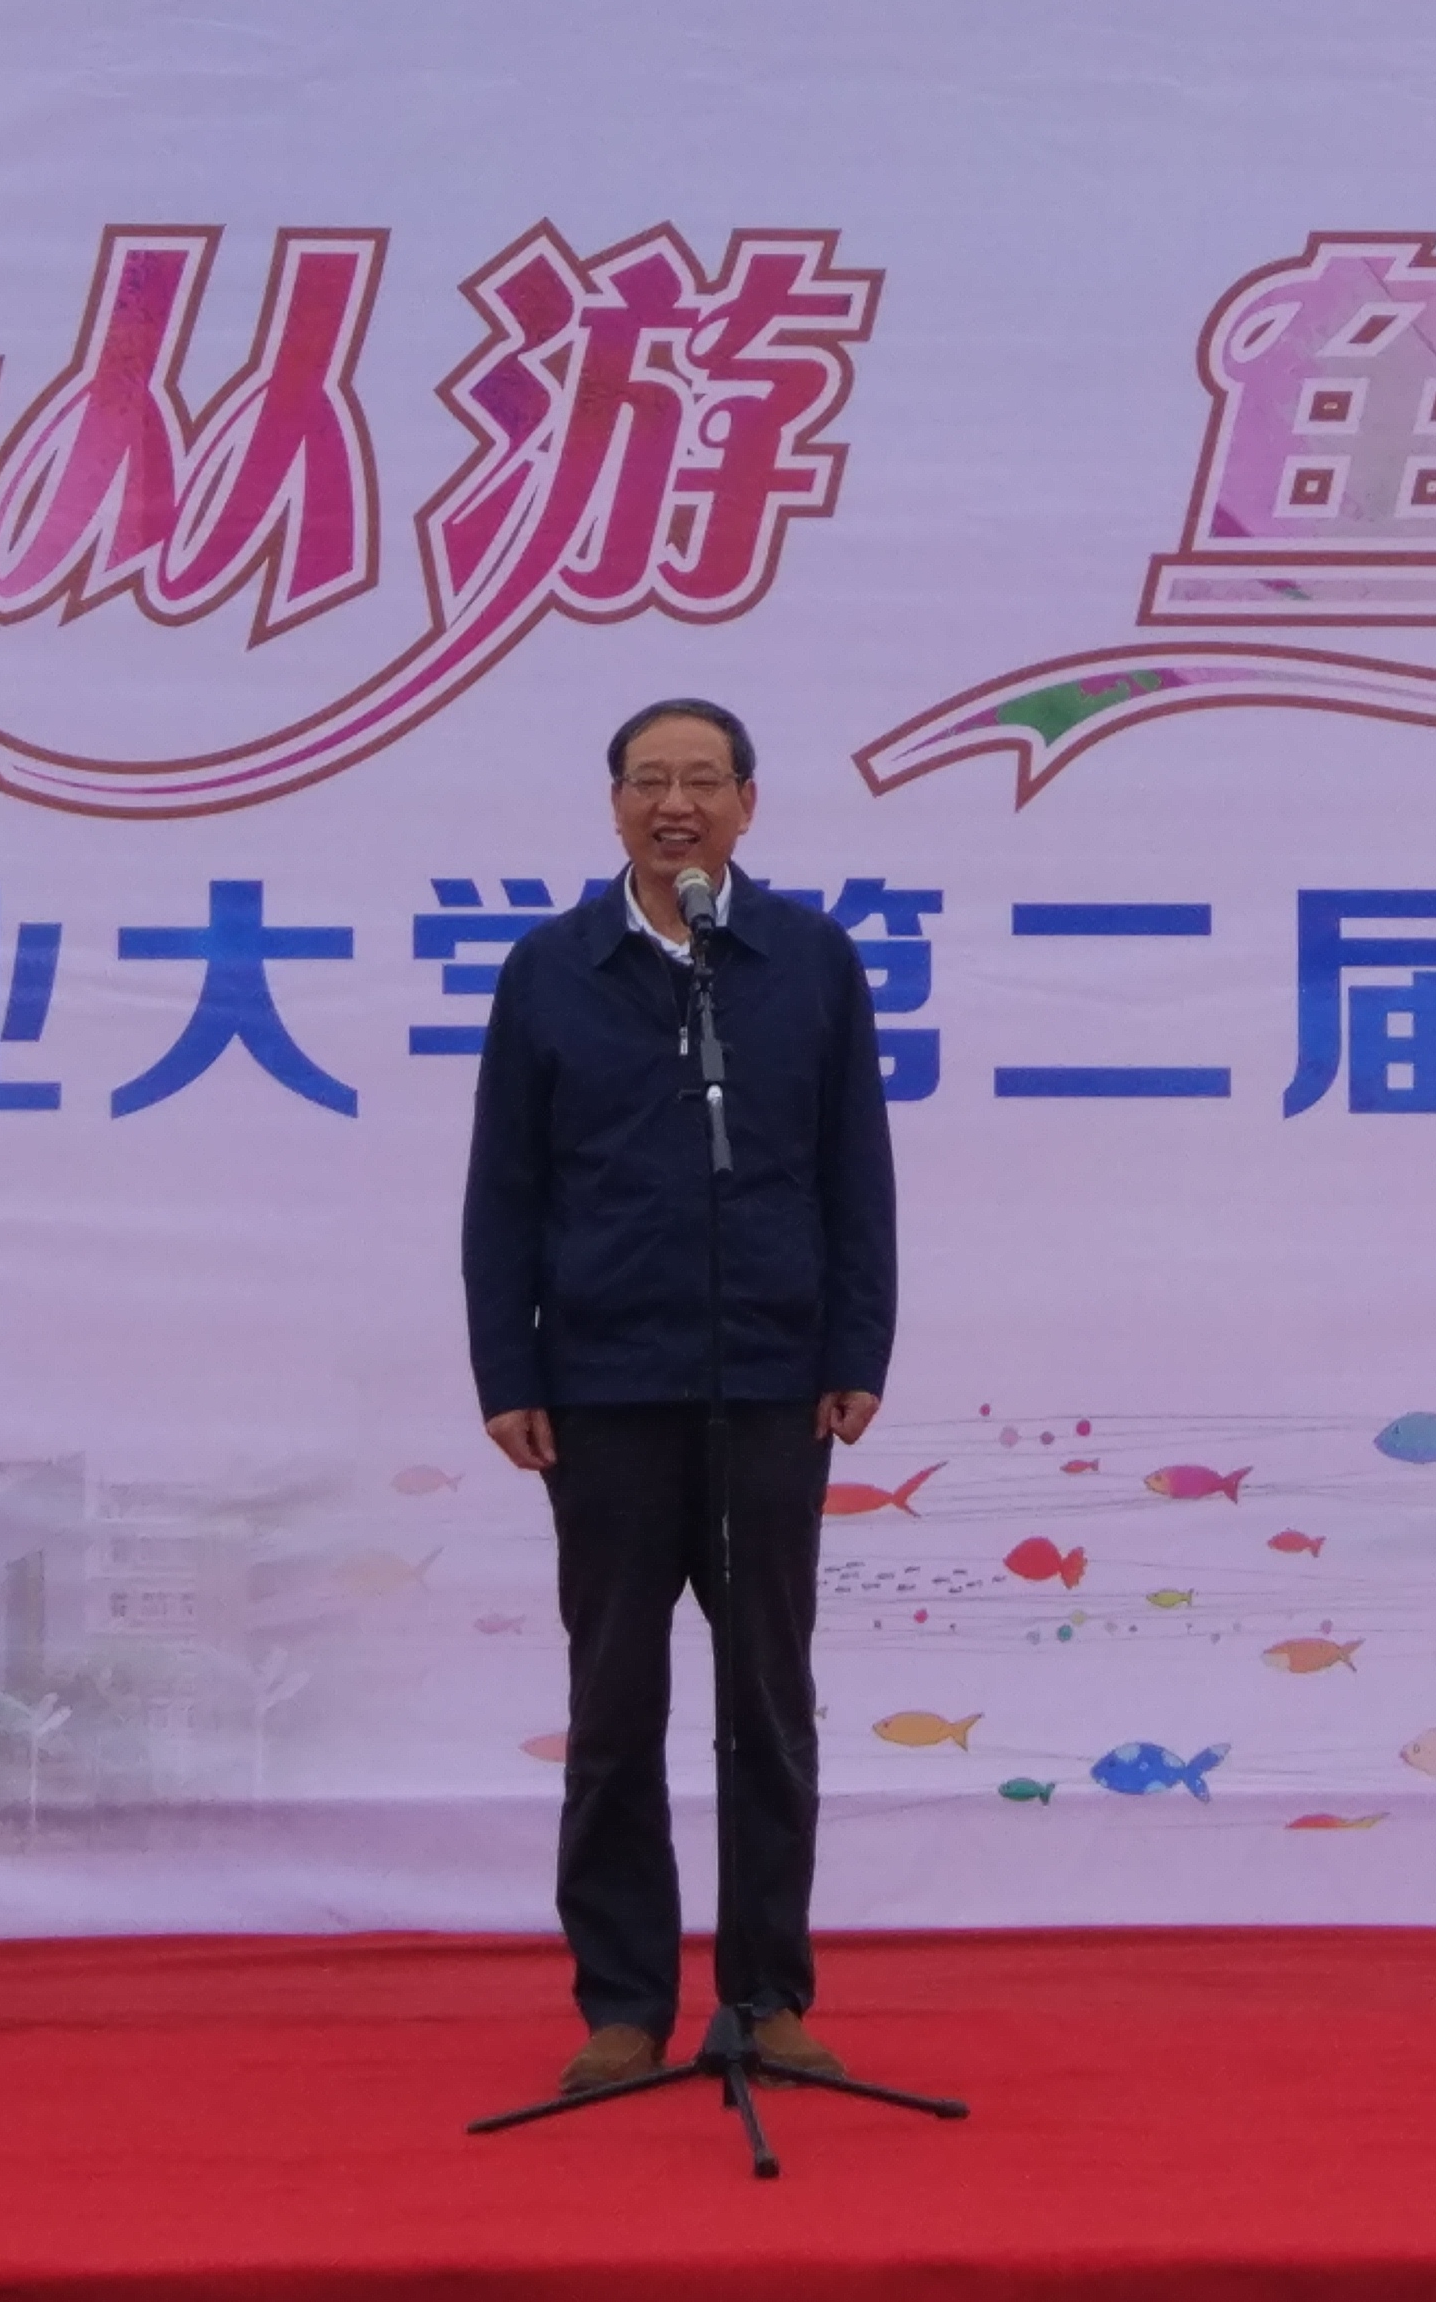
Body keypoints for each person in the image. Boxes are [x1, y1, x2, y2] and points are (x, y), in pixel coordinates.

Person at [460, 693, 897, 2095]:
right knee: (613, 1705)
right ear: (614, 806)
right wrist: (509, 1370)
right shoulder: (551, 969)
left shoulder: (808, 962)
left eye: (703, 780)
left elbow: (855, 1172)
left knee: (767, 1698)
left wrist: (856, 1350)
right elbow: (504, 1190)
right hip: (602, 1388)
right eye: (649, 780)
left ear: (748, 806)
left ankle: (767, 1994)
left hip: (769, 1383)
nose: (676, 804)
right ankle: (624, 2004)